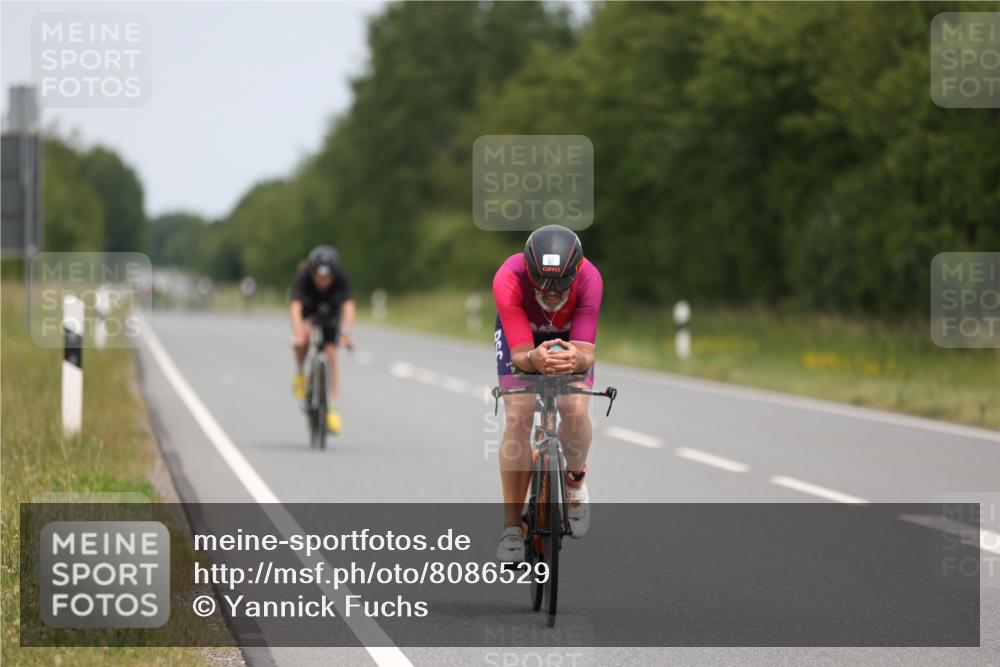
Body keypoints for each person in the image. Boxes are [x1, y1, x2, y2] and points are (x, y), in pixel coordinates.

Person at [492, 225, 603, 561]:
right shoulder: (508, 277)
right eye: (542, 284)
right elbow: (520, 355)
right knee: (519, 415)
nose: (552, 293)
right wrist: (533, 359)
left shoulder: (590, 279)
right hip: (523, 337)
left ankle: (575, 481)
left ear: (577, 272)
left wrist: (576, 359)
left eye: (561, 285)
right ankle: (512, 528)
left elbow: (586, 353)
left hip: (572, 339)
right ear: (528, 270)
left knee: (574, 409)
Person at [290, 245, 355, 433]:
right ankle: (300, 374)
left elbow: (349, 306)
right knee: (302, 343)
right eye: (319, 276)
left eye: (327, 277)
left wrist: (347, 334)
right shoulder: (303, 277)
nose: (323, 281)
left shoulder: (342, 278)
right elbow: (295, 307)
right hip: (308, 314)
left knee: (331, 354)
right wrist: (298, 333)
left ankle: (332, 408)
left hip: (330, 316)